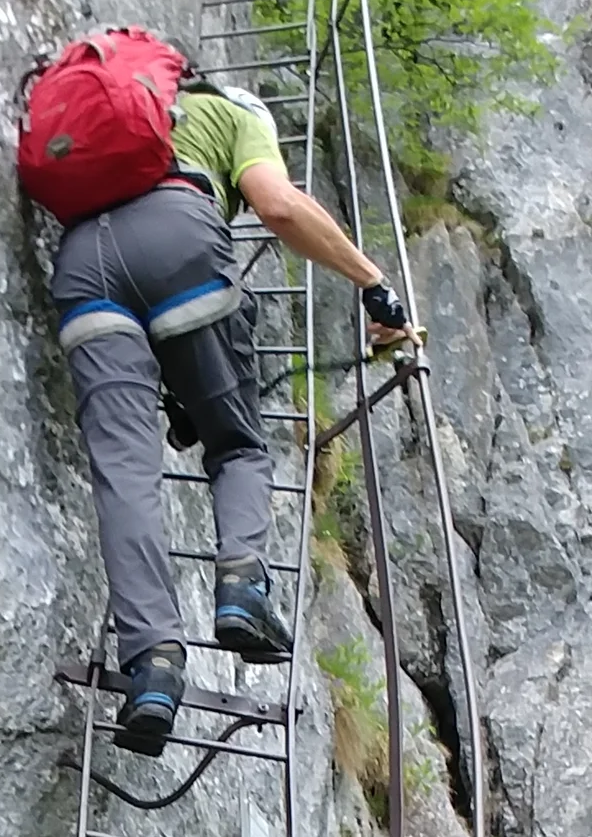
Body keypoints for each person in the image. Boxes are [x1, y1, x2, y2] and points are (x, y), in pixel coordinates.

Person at [50, 71, 411, 752]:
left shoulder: (142, 122)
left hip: (80, 262)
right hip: (177, 238)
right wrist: (373, 283)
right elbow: (278, 207)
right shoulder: (238, 116)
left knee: (125, 474)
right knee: (239, 446)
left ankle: (153, 666)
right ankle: (242, 586)